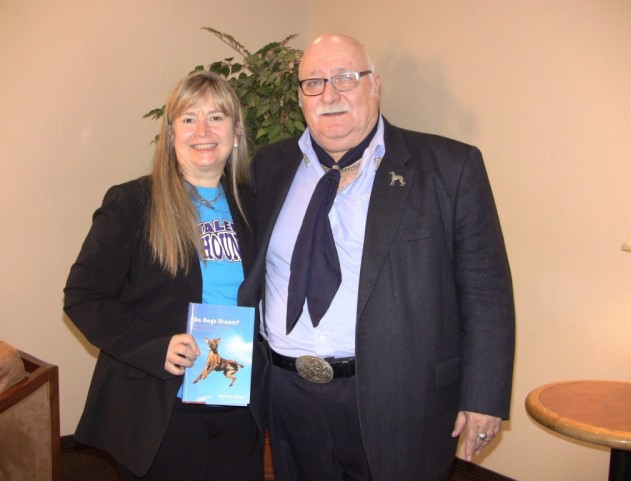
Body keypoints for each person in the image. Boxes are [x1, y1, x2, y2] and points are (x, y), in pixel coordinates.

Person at [243, 34, 516, 481]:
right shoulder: (270, 167)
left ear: (376, 86)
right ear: (300, 96)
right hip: (287, 394)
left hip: (398, 398)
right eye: (314, 82)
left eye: (346, 78)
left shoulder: (450, 167)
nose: (329, 94)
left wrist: (483, 397)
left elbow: (486, 292)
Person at [63, 71, 264, 481]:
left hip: (237, 400)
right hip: (160, 404)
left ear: (237, 131)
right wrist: (155, 347)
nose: (203, 130)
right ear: (171, 133)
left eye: (217, 117)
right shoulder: (133, 203)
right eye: (189, 119)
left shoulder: (255, 207)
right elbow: (83, 297)